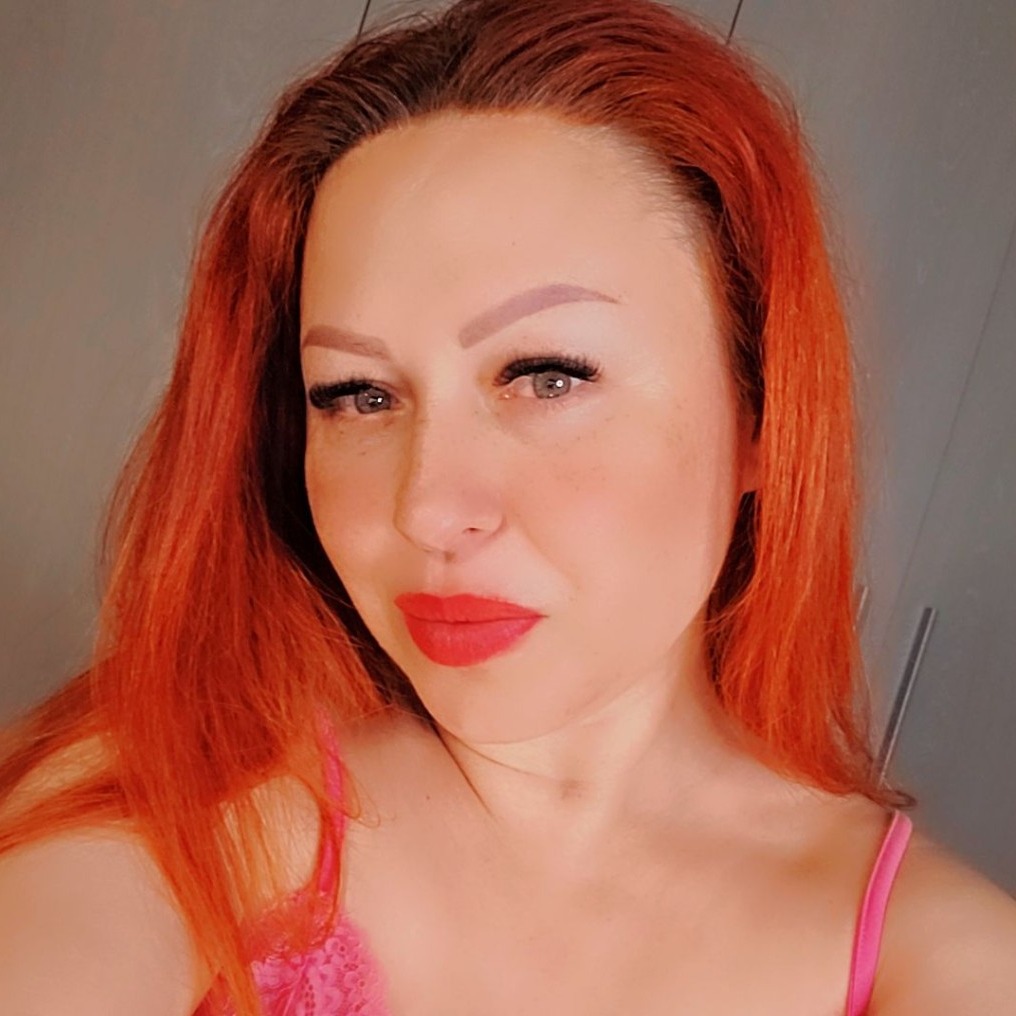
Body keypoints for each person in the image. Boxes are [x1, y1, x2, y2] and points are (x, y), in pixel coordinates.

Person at [2, 0, 1015, 1013]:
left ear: (760, 412)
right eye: (358, 395)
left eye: (546, 377)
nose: (428, 509)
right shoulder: (177, 791)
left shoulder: (938, 958)